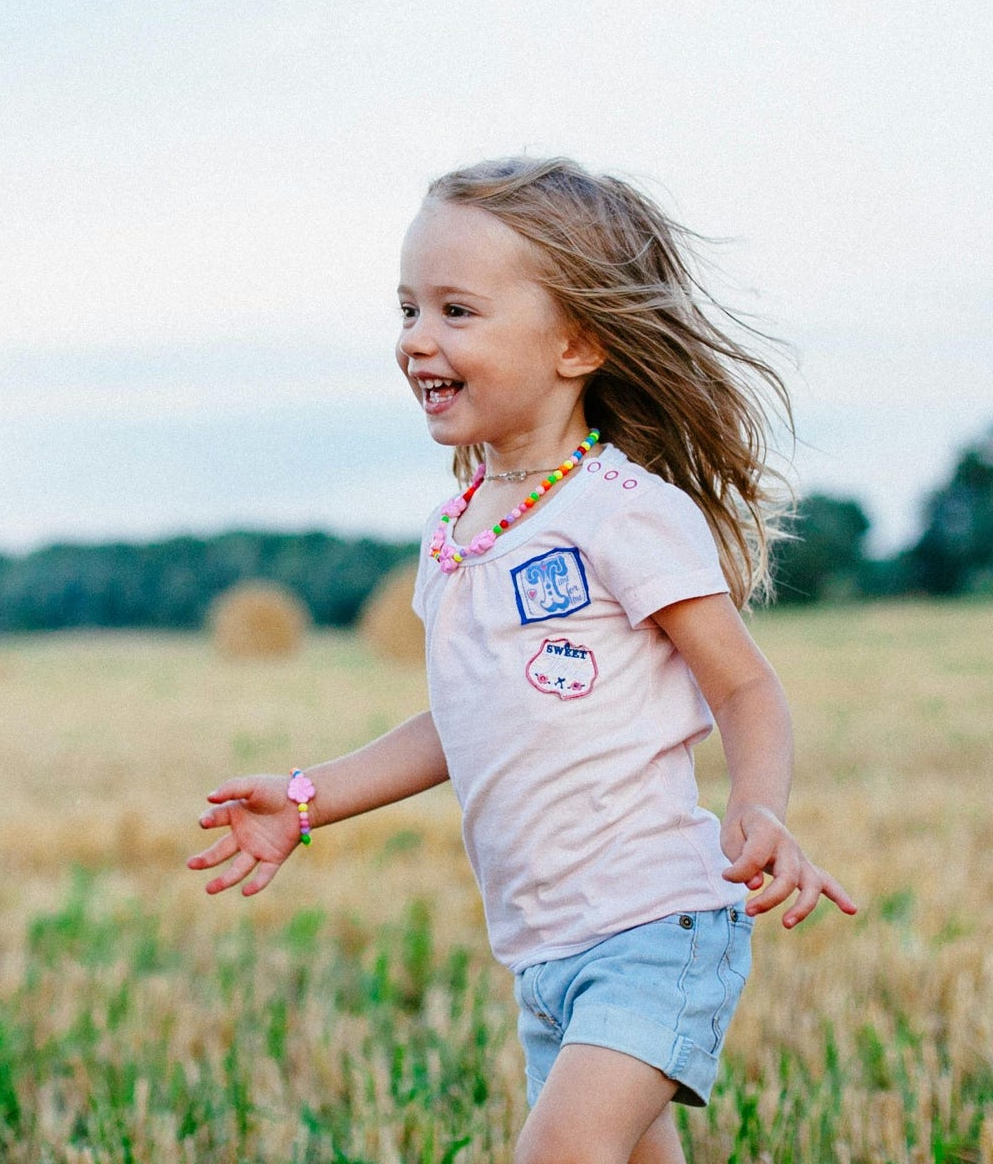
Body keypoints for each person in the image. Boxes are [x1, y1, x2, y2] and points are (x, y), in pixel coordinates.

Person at [187, 157, 857, 1164]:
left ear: (576, 342)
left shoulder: (624, 513)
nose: (417, 337)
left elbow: (741, 682)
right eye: (407, 307)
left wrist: (757, 805)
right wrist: (308, 794)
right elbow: (462, 718)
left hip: (653, 925)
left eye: (457, 310)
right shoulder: (456, 529)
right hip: (544, 950)